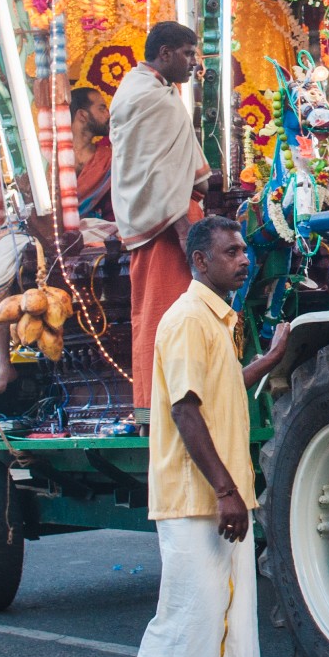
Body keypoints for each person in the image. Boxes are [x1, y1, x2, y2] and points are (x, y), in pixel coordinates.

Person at [126, 216, 289, 657]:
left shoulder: (217, 320)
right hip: (195, 498)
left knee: (228, 618)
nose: (245, 259)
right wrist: (224, 490)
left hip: (222, 495)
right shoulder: (189, 319)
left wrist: (266, 362)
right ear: (200, 262)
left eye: (244, 250)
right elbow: (184, 408)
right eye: (232, 251)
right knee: (190, 613)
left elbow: (220, 385)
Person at [111, 21, 210, 416]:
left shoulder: (156, 92)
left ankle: (190, 402)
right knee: (164, 314)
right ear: (165, 53)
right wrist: (185, 230)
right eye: (187, 54)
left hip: (175, 216)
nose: (193, 63)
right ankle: (160, 408)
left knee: (185, 315)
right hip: (166, 227)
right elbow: (155, 173)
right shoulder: (144, 95)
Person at [71, 85, 114, 222]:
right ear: (82, 115)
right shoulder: (50, 158)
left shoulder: (108, 158)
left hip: (103, 236)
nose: (108, 115)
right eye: (102, 108)